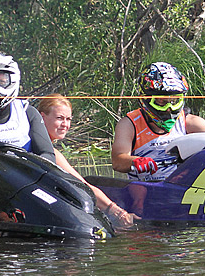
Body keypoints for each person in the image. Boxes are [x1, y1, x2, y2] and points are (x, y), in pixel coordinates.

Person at [38, 94, 134, 227]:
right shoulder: (49, 153)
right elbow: (83, 186)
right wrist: (119, 213)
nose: (65, 124)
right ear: (42, 117)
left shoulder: (43, 146)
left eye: (68, 119)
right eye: (59, 118)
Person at [111, 61, 205, 180]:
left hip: (182, 187)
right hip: (145, 190)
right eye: (161, 102)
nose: (169, 108)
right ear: (144, 98)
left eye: (174, 101)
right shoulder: (129, 124)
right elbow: (117, 161)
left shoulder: (190, 121)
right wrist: (136, 161)